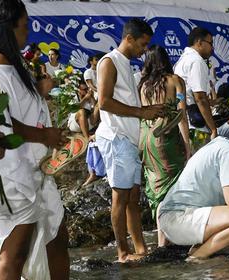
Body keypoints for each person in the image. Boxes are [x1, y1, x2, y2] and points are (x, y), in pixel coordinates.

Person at [0, 1, 71, 279]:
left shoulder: (7, 63)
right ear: (8, 27)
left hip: (31, 169)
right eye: (25, 25)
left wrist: (39, 91)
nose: (28, 32)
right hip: (8, 173)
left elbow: (12, 108)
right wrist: (44, 135)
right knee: (13, 254)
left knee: (55, 235)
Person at [95, 18, 163, 263]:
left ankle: (140, 248)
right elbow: (103, 101)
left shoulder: (126, 65)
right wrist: (141, 113)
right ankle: (122, 252)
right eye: (142, 44)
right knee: (120, 197)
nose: (144, 50)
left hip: (128, 139)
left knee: (133, 197)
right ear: (129, 39)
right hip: (117, 138)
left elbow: (122, 103)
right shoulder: (109, 62)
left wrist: (147, 110)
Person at [157, 127, 229, 260]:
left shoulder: (221, 145)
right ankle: (196, 258)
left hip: (173, 219)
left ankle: (197, 249)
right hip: (179, 220)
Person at [138, 45, 191, 247]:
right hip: (165, 138)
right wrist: (187, 144)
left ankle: (162, 239)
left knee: (156, 187)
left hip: (145, 139)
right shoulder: (175, 81)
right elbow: (181, 114)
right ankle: (168, 239)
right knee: (172, 184)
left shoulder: (143, 85)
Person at [174, 27, 219, 139]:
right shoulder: (197, 61)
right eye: (210, 43)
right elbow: (200, 98)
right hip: (196, 127)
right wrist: (213, 128)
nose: (212, 48)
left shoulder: (181, 61)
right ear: (199, 43)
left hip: (183, 123)